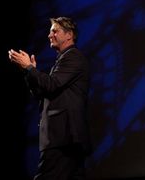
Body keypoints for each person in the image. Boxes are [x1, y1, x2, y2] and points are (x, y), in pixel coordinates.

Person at [8, 17, 91, 180]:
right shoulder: (63, 60)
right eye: (50, 31)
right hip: (66, 139)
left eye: (55, 31)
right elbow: (42, 92)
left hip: (63, 138)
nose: (49, 35)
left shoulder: (73, 56)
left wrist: (29, 68)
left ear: (69, 35)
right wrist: (28, 72)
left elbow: (51, 84)